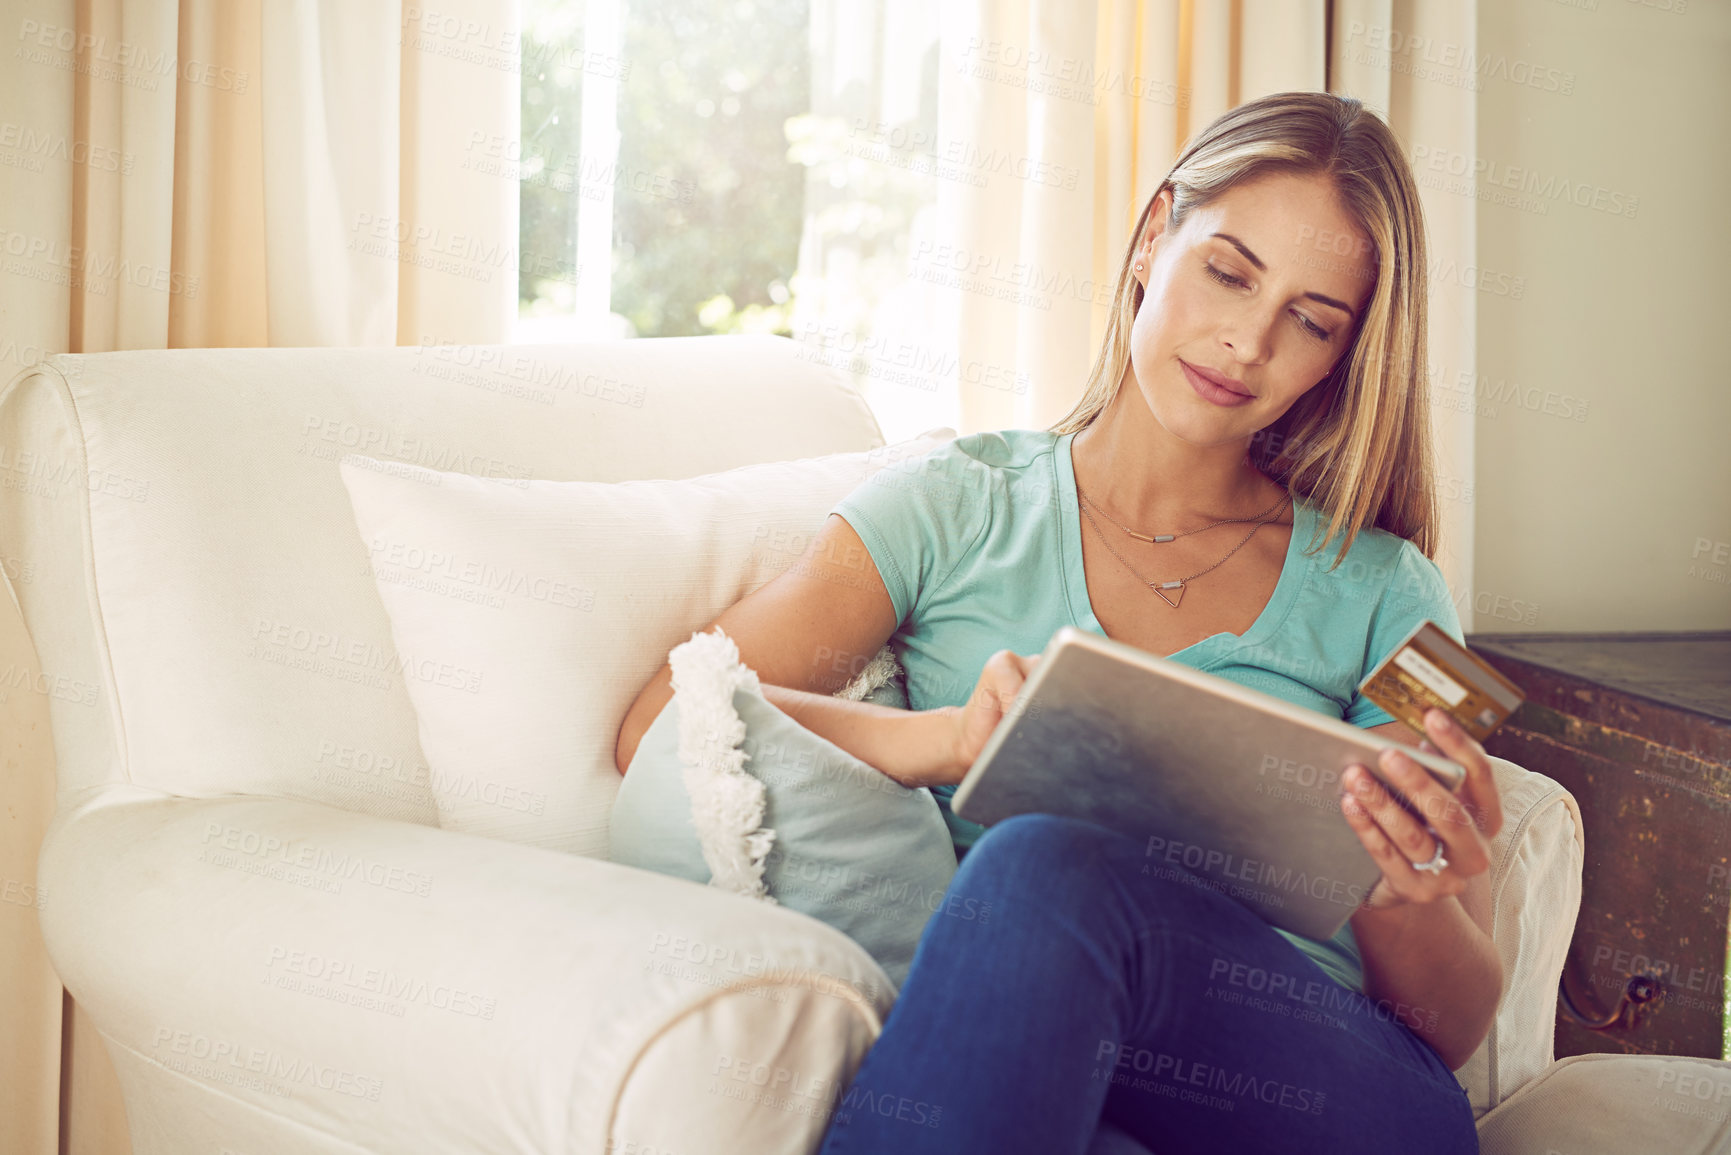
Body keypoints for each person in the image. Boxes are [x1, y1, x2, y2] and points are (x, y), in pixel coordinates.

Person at [614, 90, 1499, 1154]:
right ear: (1154, 235)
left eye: (1310, 322)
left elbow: (1450, 1034)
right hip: (1041, 1064)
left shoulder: (1405, 594)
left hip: (1324, 1094)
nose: (1246, 341)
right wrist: (937, 743)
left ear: (1341, 358)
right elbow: (665, 719)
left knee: (1051, 863)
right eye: (1228, 271)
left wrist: (1404, 893)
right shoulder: (953, 504)